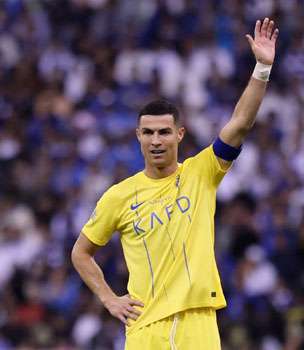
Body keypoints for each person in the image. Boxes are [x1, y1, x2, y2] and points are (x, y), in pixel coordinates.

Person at [71, 18, 279, 349]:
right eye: (149, 132)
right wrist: (110, 300)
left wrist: (262, 69)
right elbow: (81, 253)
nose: (156, 140)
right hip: (144, 329)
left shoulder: (202, 172)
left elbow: (240, 124)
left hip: (198, 323)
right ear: (138, 136)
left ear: (179, 135)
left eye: (164, 132)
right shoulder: (118, 196)